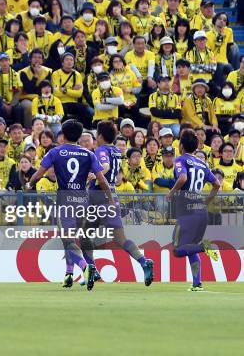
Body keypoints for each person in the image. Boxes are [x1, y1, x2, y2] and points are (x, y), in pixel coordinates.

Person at [28, 119, 113, 290]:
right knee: (74, 240)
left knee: (68, 241)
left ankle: (85, 267)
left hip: (65, 200)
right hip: (83, 200)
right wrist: (110, 198)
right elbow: (102, 179)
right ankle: (68, 274)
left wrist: (29, 183)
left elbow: (38, 174)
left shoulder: (55, 152)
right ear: (79, 136)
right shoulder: (88, 154)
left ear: (63, 135)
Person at [86, 120, 155, 287]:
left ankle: (92, 270)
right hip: (112, 195)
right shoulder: (116, 150)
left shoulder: (102, 149)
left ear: (100, 136)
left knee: (84, 236)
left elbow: (106, 167)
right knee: (121, 238)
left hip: (98, 196)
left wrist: (93, 176)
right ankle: (144, 261)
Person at [167, 129, 222, 291]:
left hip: (187, 211)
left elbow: (183, 178)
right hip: (201, 210)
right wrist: (206, 201)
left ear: (181, 145)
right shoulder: (202, 163)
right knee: (190, 246)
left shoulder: (181, 160)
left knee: (177, 249)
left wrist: (172, 192)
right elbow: (217, 184)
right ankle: (197, 283)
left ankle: (206, 247)